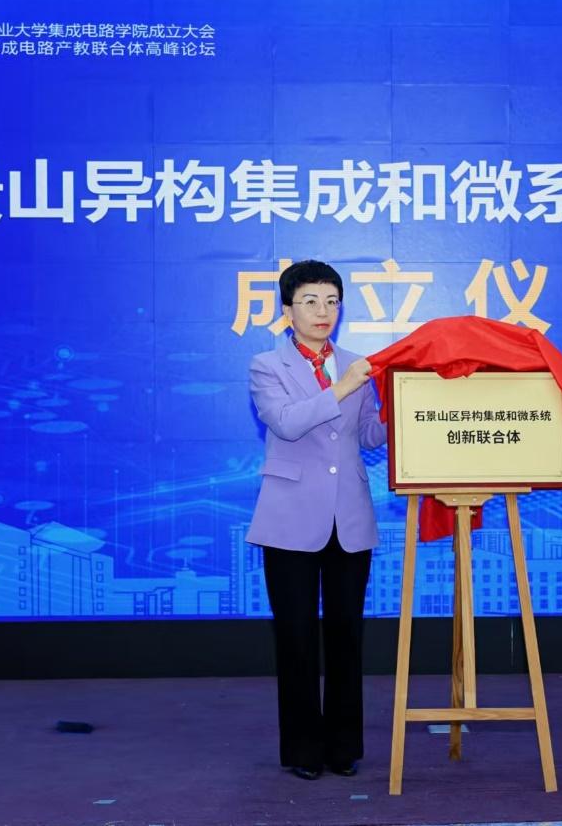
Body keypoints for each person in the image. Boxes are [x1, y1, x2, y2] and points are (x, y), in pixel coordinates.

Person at [246, 260, 386, 780]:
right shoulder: (267, 365)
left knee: (347, 636)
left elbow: (368, 435)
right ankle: (304, 751)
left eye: (331, 301)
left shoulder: (355, 365)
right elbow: (286, 423)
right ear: (288, 310)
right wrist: (343, 387)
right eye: (310, 301)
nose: (322, 311)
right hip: (289, 517)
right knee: (297, 637)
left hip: (349, 515)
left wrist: (404, 409)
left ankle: (344, 747)